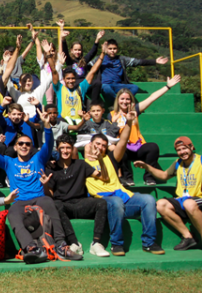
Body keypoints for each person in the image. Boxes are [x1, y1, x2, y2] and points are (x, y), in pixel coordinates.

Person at [0, 114, 82, 261]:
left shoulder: (38, 159)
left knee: (49, 203)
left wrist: (46, 125)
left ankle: (61, 245)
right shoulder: (9, 162)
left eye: (28, 144)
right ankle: (31, 248)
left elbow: (48, 144)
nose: (24, 146)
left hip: (38, 197)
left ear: (31, 147)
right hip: (19, 200)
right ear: (15, 147)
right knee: (12, 214)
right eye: (21, 144)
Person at [83, 114, 165, 256]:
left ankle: (149, 243)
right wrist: (86, 150)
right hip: (105, 202)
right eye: (97, 144)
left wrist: (129, 122)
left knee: (149, 200)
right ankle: (117, 244)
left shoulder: (111, 159)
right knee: (116, 202)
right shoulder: (82, 164)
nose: (100, 148)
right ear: (90, 145)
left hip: (124, 199)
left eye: (103, 145)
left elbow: (123, 141)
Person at [45, 134, 110, 257]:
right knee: (55, 204)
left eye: (68, 147)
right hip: (64, 206)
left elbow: (105, 177)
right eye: (62, 148)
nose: (65, 151)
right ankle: (74, 243)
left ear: (73, 149)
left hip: (81, 203)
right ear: (57, 149)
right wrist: (45, 185)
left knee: (101, 202)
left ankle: (96, 243)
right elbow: (51, 195)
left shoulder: (81, 164)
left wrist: (100, 159)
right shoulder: (51, 169)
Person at [110, 75, 181, 186]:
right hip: (124, 150)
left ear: (131, 101)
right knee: (118, 148)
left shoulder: (135, 111)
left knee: (153, 147)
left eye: (127, 99)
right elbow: (111, 135)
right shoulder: (112, 115)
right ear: (118, 100)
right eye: (122, 99)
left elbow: (152, 98)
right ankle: (127, 178)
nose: (125, 101)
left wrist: (167, 86)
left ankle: (149, 177)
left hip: (138, 147)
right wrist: (114, 123)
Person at [91, 38, 169, 101]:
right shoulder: (100, 58)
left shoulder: (122, 59)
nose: (112, 50)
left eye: (114, 48)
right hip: (106, 85)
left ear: (117, 49)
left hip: (119, 85)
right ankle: (118, 103)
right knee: (106, 88)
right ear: (106, 49)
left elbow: (138, 62)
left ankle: (119, 102)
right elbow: (88, 65)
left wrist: (155, 61)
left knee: (134, 87)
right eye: (110, 48)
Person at [52, 48, 104, 125]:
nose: (70, 81)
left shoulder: (81, 87)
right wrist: (50, 56)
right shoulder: (60, 88)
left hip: (79, 123)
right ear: (64, 79)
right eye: (68, 79)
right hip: (64, 123)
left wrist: (103, 53)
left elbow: (92, 72)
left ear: (75, 79)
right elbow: (54, 72)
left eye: (73, 78)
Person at [57, 20, 104, 105]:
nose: (77, 52)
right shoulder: (69, 61)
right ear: (72, 50)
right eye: (75, 50)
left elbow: (92, 52)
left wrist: (97, 39)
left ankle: (94, 104)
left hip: (84, 82)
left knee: (97, 82)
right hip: (75, 83)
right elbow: (64, 49)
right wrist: (63, 37)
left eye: (79, 50)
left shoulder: (84, 60)